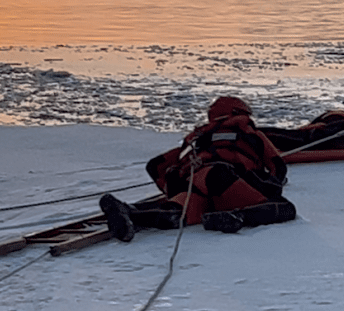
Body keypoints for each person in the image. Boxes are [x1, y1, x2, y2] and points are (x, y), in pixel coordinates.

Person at [99, 96, 296, 241]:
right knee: (284, 209)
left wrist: (170, 191)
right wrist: (269, 186)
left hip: (190, 182)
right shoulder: (250, 133)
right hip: (220, 177)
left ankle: (130, 212)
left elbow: (155, 165)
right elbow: (278, 167)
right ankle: (236, 217)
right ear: (239, 113)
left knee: (177, 214)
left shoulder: (197, 136)